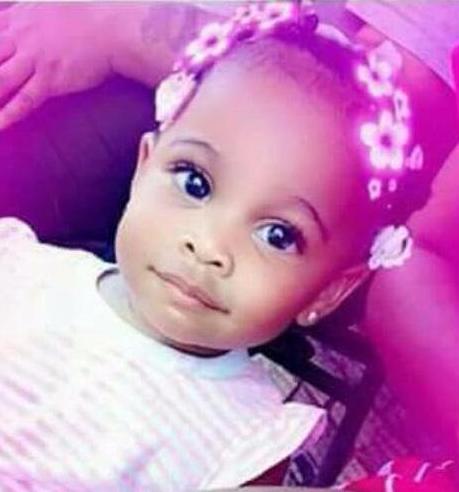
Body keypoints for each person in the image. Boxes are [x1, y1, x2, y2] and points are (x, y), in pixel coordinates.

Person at [0, 2, 419, 490]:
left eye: (278, 235)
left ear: (327, 292)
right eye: (194, 182)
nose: (210, 246)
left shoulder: (247, 445)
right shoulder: (18, 270)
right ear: (144, 166)